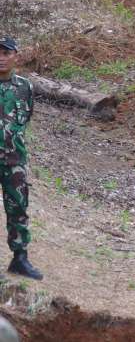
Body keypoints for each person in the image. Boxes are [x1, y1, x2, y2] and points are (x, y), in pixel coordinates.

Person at [0, 36, 43, 280]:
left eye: (6, 53)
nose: (1, 58)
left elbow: (25, 119)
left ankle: (19, 258)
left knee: (18, 208)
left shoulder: (24, 87)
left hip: (14, 160)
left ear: (15, 55)